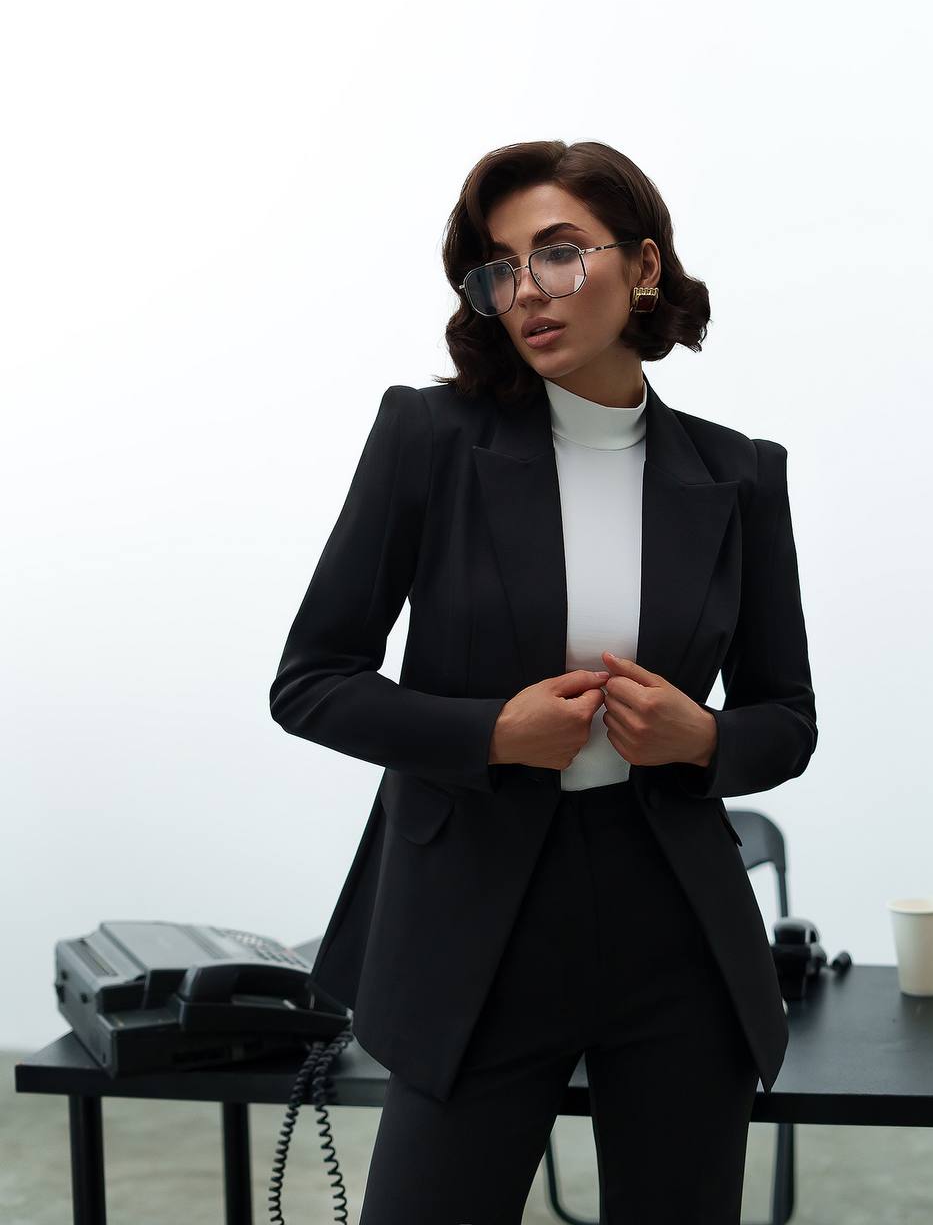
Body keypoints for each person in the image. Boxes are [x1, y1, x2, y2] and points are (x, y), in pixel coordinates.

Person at [269, 138, 818, 1224]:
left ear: (644, 266)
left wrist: (702, 740)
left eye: (559, 254)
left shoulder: (740, 473)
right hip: (475, 917)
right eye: (499, 267)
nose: (525, 291)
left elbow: (787, 718)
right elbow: (312, 680)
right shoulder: (430, 438)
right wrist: (490, 732)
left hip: (675, 928)